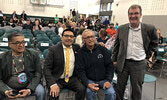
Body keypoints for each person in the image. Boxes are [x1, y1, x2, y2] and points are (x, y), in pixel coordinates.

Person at [112, 4, 158, 100]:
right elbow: (116, 46)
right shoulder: (121, 29)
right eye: (131, 14)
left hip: (139, 63)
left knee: (136, 90)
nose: (133, 16)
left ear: (140, 15)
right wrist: (114, 60)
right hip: (123, 63)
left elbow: (155, 42)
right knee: (119, 88)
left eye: (136, 13)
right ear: (128, 15)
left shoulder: (149, 28)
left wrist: (147, 55)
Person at [0, 32, 45, 100]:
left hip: (29, 84)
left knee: (41, 92)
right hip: (9, 86)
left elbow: (38, 74)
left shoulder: (33, 55)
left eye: (23, 42)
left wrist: (29, 89)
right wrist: (5, 91)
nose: (21, 45)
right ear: (10, 44)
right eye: (17, 43)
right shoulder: (2, 57)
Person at [43, 29, 86, 100]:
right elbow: (46, 68)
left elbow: (87, 48)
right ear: (61, 37)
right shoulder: (53, 50)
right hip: (57, 78)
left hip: (71, 78)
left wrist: (99, 44)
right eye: (66, 36)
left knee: (82, 89)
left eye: (71, 36)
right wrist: (52, 84)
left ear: (74, 38)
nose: (69, 38)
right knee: (53, 94)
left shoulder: (76, 47)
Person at [75, 29, 115, 100]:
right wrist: (87, 83)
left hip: (104, 79)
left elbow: (110, 66)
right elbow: (80, 71)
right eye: (87, 37)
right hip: (90, 80)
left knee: (111, 93)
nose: (90, 39)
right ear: (83, 40)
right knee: (89, 92)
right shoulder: (80, 53)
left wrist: (108, 80)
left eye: (92, 37)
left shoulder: (102, 49)